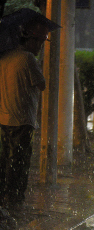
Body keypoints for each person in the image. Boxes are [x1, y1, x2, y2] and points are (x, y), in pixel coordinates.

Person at [0, 18, 50, 210]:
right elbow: (41, 85)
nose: (40, 47)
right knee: (19, 163)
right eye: (40, 42)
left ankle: (4, 198)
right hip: (22, 120)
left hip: (4, 118)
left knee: (6, 160)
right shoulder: (28, 58)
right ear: (32, 40)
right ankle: (14, 202)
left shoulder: (5, 57)